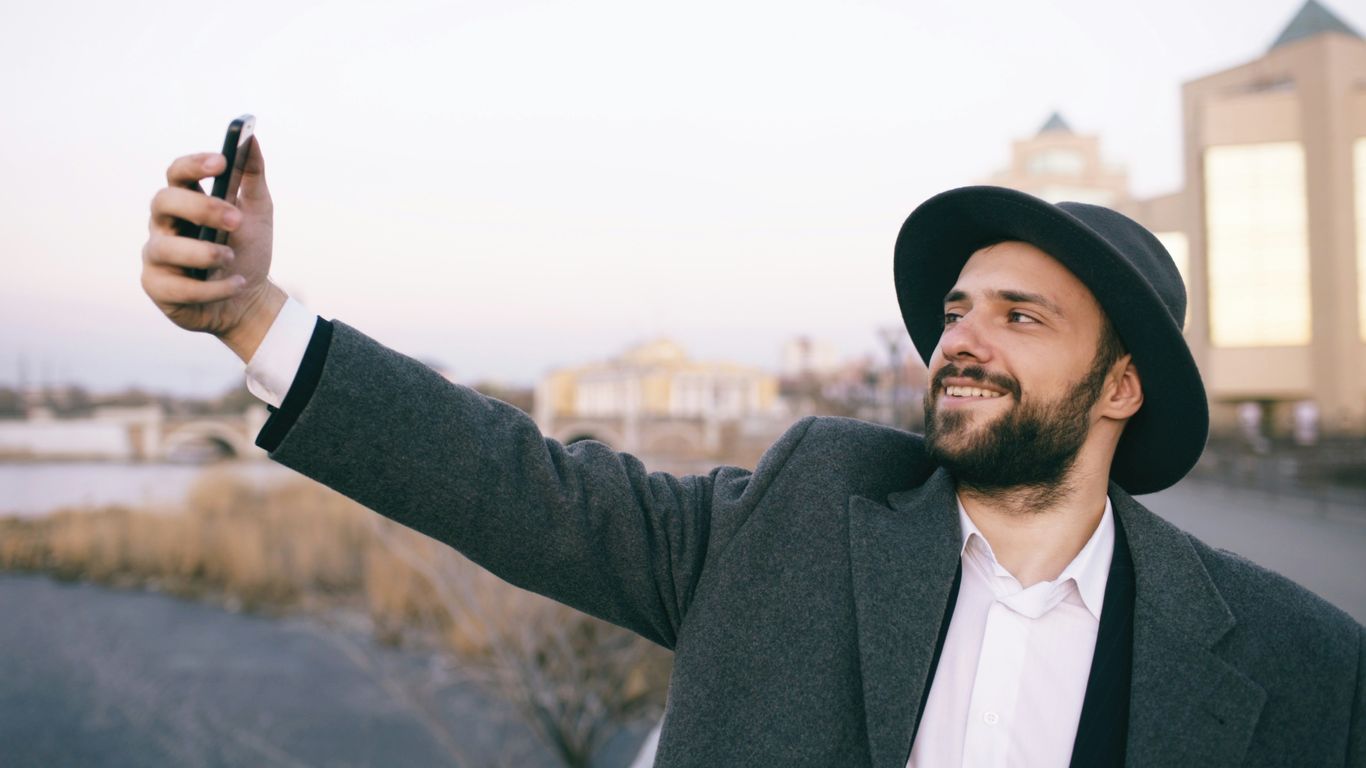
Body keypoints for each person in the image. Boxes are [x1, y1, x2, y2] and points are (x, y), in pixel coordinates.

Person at [142, 140, 1364, 767]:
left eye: (1020, 316)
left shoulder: (1305, 666)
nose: (962, 340)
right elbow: (522, 488)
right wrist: (253, 315)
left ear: (1122, 385)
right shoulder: (802, 512)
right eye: (954, 309)